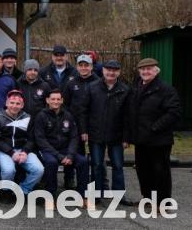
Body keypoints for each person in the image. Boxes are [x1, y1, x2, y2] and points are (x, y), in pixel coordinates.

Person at [127, 58, 182, 201]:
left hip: (159, 140)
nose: (145, 72)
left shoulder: (166, 89)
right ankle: (147, 198)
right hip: (141, 139)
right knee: (143, 170)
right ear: (139, 71)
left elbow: (174, 112)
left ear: (156, 71)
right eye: (142, 69)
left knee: (160, 172)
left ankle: (162, 202)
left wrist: (155, 127)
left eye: (149, 69)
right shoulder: (136, 88)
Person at [80, 60, 134, 205]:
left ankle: (119, 196)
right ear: (103, 71)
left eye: (114, 70)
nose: (111, 73)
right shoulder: (92, 87)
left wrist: (126, 137)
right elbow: (84, 111)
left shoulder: (125, 89)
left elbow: (128, 116)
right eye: (108, 70)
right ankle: (96, 195)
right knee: (96, 165)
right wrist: (84, 130)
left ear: (119, 72)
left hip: (117, 136)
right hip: (95, 134)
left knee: (118, 165)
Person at [32, 89, 91, 210]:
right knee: (51, 163)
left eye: (58, 99)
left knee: (83, 162)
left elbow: (74, 137)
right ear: (47, 100)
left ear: (62, 100)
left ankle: (82, 196)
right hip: (49, 151)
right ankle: (50, 198)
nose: (56, 101)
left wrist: (70, 155)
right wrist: (59, 156)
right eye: (53, 99)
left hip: (65, 150)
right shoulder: (41, 116)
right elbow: (40, 140)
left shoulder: (68, 115)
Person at [0, 90, 43, 195]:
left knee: (39, 169)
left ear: (22, 105)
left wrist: (25, 152)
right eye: (12, 103)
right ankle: (7, 191)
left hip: (23, 150)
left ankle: (23, 190)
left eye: (18, 103)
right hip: (4, 151)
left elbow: (32, 138)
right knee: (9, 170)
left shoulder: (27, 117)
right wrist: (11, 153)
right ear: (6, 103)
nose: (14, 106)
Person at [61, 54, 99, 188]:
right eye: (81, 65)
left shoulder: (98, 82)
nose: (83, 68)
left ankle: (97, 184)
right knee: (74, 153)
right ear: (77, 67)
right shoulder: (71, 83)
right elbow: (64, 105)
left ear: (91, 67)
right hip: (74, 126)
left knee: (96, 158)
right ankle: (69, 180)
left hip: (93, 125)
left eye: (86, 65)